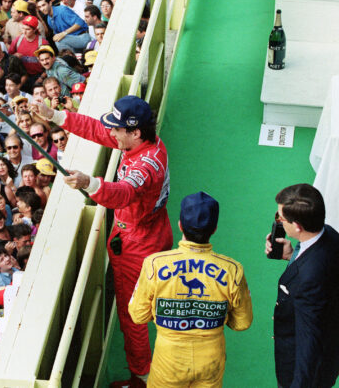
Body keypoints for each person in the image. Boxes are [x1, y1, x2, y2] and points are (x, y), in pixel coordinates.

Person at [31, 95, 172, 386]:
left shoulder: (142, 166)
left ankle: (142, 375)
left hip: (136, 245)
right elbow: (97, 130)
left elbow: (123, 193)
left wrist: (89, 183)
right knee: (149, 297)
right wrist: (54, 116)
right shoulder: (148, 144)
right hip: (156, 231)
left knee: (132, 315)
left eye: (117, 129)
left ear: (134, 132)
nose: (111, 132)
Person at [129, 192, 253, 387]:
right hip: (212, 360)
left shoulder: (154, 264)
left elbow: (138, 315)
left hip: (168, 360)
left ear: (180, 225)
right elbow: (242, 323)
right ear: (214, 229)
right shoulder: (233, 270)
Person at [265, 183, 339, 388]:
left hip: (302, 371)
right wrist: (293, 256)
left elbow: (309, 342)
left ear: (297, 226)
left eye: (280, 218)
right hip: (328, 355)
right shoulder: (331, 236)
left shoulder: (308, 278)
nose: (278, 221)